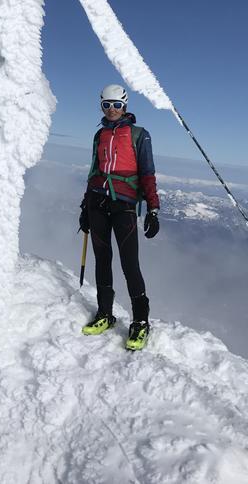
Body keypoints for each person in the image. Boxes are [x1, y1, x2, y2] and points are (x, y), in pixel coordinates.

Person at [79, 83, 160, 350]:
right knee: (102, 259)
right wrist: (84, 207)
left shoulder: (139, 134)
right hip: (97, 202)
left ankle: (140, 322)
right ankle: (105, 313)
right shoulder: (99, 135)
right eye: (107, 105)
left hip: (124, 205)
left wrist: (153, 208)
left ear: (125, 106)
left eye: (117, 105)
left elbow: (147, 173)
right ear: (101, 105)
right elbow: (93, 171)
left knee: (129, 264)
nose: (112, 110)